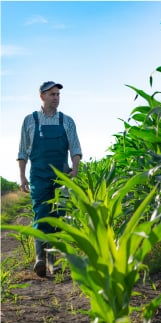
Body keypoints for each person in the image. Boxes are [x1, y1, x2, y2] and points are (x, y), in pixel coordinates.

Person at [17, 81, 82, 277]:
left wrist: (75, 169)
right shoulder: (30, 121)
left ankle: (53, 263)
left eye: (58, 94)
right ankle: (40, 259)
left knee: (58, 216)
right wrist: (21, 177)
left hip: (61, 176)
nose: (56, 98)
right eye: (52, 94)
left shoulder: (67, 121)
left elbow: (76, 148)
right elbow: (22, 151)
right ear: (42, 96)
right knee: (41, 214)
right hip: (38, 176)